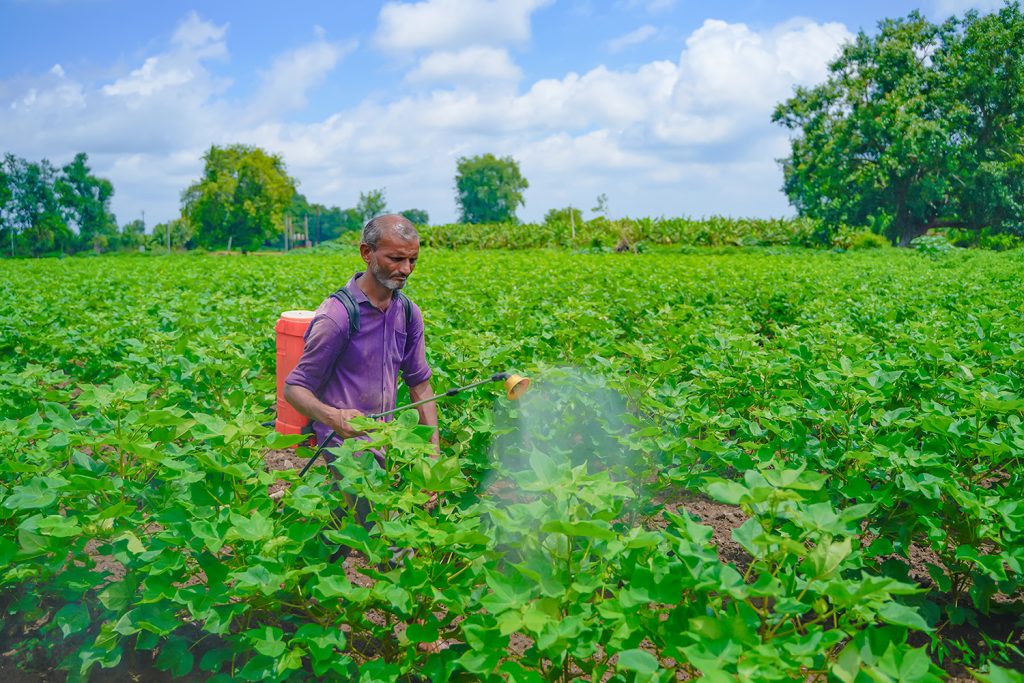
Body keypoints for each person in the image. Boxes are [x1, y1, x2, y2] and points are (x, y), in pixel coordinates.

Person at [283, 213, 439, 511]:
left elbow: (420, 384)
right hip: (343, 449)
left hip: (386, 442)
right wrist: (333, 418)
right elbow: (294, 389)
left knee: (338, 532)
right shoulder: (338, 316)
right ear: (366, 253)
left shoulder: (407, 312)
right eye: (395, 258)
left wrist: (433, 460)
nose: (406, 269)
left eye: (413, 260)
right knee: (390, 542)